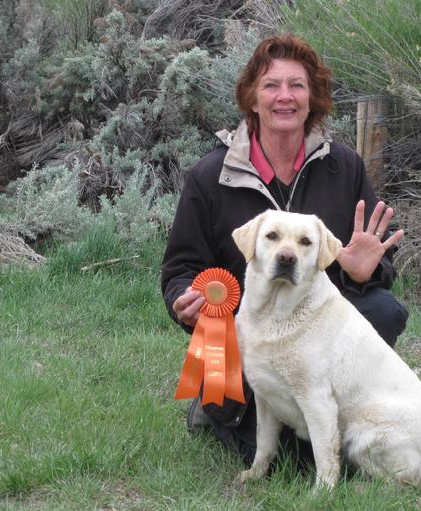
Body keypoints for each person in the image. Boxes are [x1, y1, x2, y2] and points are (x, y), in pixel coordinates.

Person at [160, 34, 408, 466]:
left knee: (384, 309)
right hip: (241, 336)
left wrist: (365, 271)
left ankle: (344, 410)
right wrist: (185, 299)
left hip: (317, 336)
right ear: (252, 98)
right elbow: (181, 268)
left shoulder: (344, 167)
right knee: (289, 463)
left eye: (297, 85)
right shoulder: (210, 175)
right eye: (271, 85)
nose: (285, 97)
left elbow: (376, 258)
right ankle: (218, 402)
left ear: (313, 99)